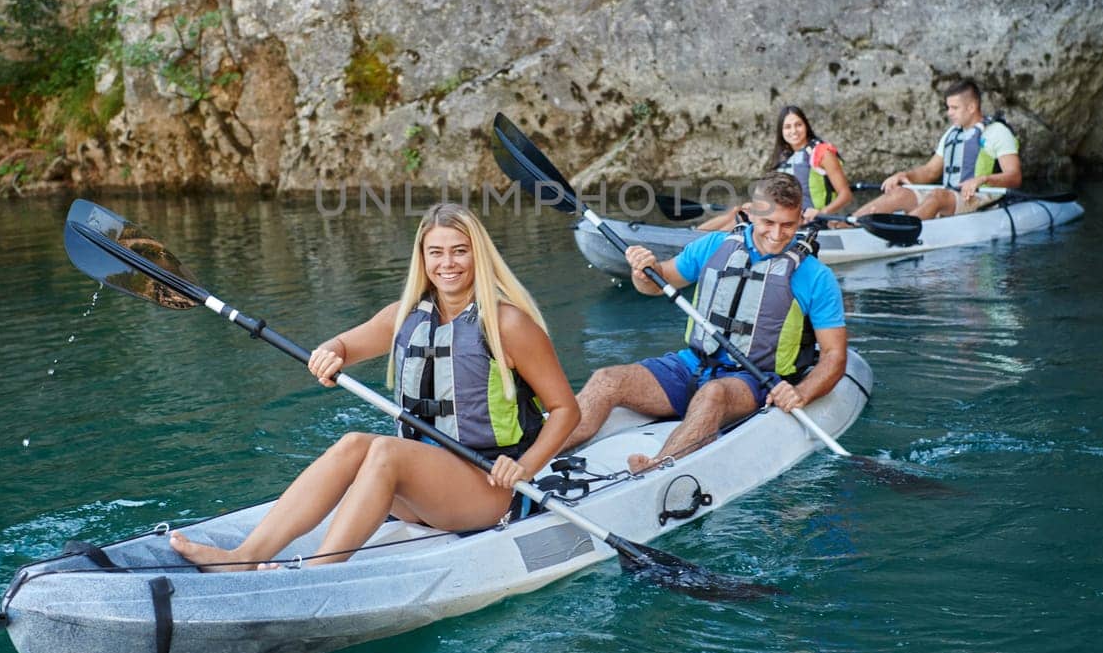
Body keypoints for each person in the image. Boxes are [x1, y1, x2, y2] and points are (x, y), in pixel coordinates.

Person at [170, 203, 580, 570]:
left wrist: (524, 466)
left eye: (460, 250)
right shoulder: (404, 315)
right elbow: (344, 345)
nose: (448, 263)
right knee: (353, 443)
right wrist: (329, 353)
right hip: (421, 495)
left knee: (385, 451)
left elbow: (565, 410)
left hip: (487, 488)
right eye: (436, 252)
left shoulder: (508, 325)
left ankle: (316, 573)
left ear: (479, 255)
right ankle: (245, 557)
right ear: (422, 258)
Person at [562, 173, 848, 473]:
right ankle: (535, 454)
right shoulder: (714, 245)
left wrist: (800, 393)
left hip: (753, 380)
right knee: (607, 379)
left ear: (801, 219)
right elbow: (657, 283)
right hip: (691, 364)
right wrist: (643, 271)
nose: (777, 235)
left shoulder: (816, 276)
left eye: (787, 225)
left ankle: (657, 469)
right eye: (768, 223)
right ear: (750, 212)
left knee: (713, 394)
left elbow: (834, 356)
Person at [851, 78, 1022, 221]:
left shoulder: (997, 132)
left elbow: (1014, 177)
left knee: (938, 195)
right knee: (900, 192)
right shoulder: (952, 133)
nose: (949, 113)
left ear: (971, 107)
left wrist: (982, 179)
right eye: (948, 107)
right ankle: (848, 224)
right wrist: (905, 176)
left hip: (982, 197)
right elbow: (930, 171)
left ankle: (903, 231)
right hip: (951, 195)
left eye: (954, 108)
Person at [698, 105, 854, 230]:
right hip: (781, 216)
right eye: (787, 127)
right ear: (781, 131)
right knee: (738, 211)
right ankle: (693, 235)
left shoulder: (822, 152)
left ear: (806, 126)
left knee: (743, 219)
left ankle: (704, 244)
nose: (793, 131)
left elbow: (845, 195)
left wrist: (822, 213)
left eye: (798, 125)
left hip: (812, 221)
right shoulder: (784, 157)